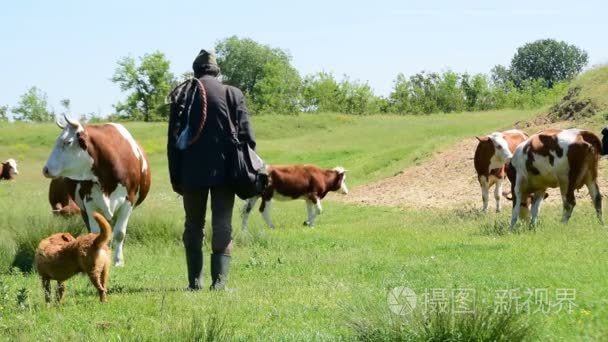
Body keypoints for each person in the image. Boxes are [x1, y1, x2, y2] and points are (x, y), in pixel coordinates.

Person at [167, 49, 256, 290]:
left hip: (191, 173)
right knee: (222, 225)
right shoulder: (233, 94)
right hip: (226, 173)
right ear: (217, 71)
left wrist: (176, 177)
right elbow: (248, 137)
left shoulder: (183, 94)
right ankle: (219, 285)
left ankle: (194, 284)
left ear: (195, 71)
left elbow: (172, 143)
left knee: (193, 225)